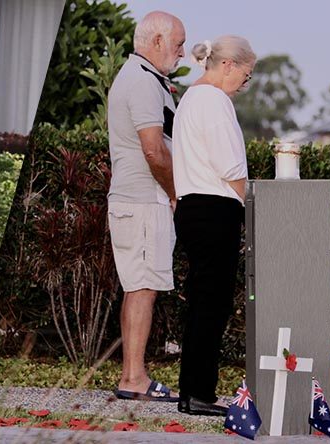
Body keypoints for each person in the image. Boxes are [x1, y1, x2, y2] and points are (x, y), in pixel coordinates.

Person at [172, 35, 256, 416]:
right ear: (228, 65)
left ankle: (194, 390)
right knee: (213, 304)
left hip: (192, 207)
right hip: (215, 209)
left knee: (203, 302)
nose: (244, 83)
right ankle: (198, 394)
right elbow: (231, 166)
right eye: (246, 74)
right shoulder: (215, 101)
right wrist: (250, 202)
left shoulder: (190, 97)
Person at [107, 11, 184, 402]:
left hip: (138, 200)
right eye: (178, 44)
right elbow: (154, 150)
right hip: (142, 200)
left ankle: (133, 375)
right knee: (142, 288)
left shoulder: (144, 78)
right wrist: (174, 192)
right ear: (156, 41)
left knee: (140, 287)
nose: (183, 53)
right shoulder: (141, 81)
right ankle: (133, 379)